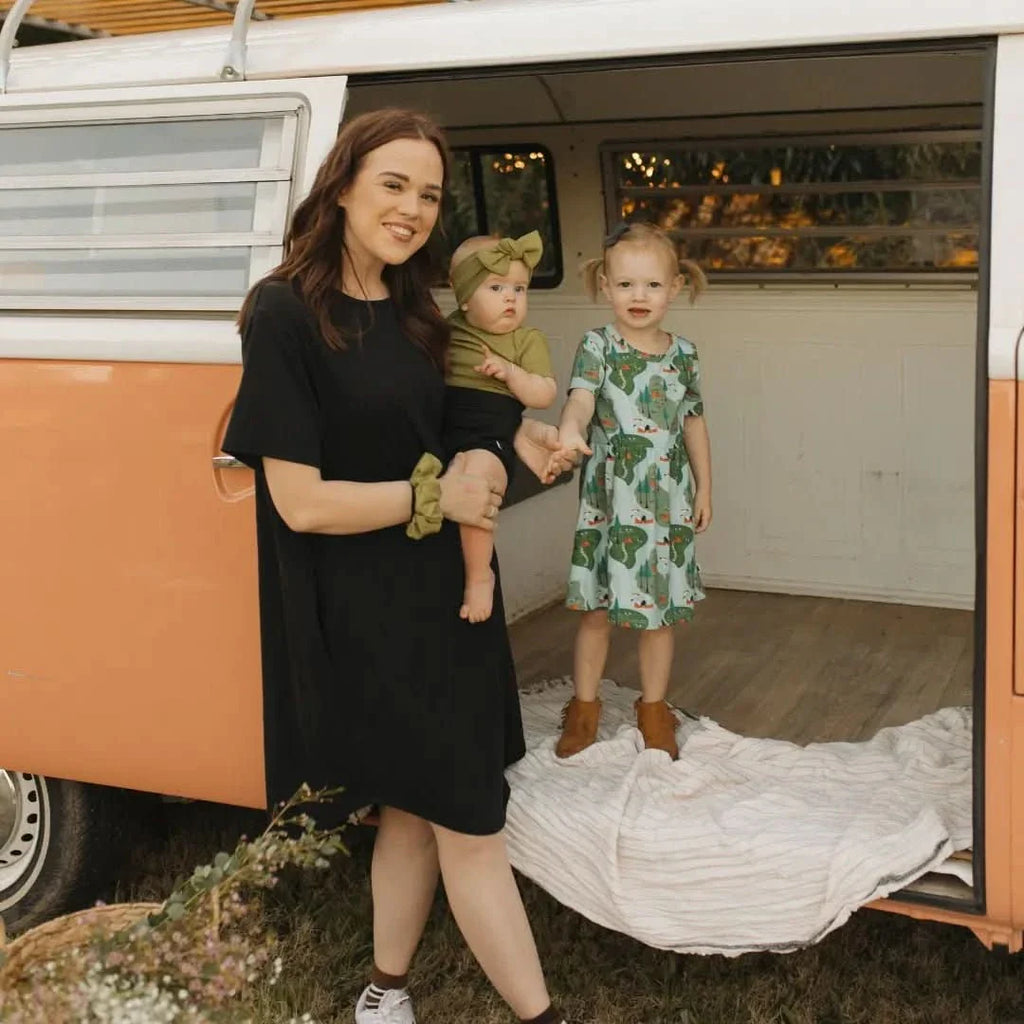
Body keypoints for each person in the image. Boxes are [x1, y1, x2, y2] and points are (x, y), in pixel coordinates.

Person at [221, 108, 572, 1024]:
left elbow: (462, 429)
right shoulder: (284, 313)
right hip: (368, 610)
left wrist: (500, 452)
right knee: (469, 821)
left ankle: (383, 993)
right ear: (340, 185)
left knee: (419, 810)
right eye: (393, 184)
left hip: (450, 599)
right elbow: (298, 501)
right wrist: (435, 501)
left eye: (428, 194)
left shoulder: (422, 311)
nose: (413, 209)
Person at [552, 221, 713, 761]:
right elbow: (579, 398)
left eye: (651, 285)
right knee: (596, 611)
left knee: (659, 613)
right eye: (625, 285)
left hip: (666, 499)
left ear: (674, 288)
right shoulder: (597, 345)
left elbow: (693, 423)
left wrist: (706, 489)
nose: (638, 296)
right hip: (611, 502)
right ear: (605, 287)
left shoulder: (684, 354)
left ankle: (654, 710)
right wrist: (571, 427)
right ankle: (585, 709)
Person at [443, 230, 557, 622]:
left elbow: (543, 394)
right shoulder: (450, 331)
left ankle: (479, 576)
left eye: (520, 289)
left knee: (474, 488)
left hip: (488, 440)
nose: (511, 297)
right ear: (463, 296)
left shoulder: (526, 340)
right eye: (496, 287)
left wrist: (511, 374)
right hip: (444, 433)